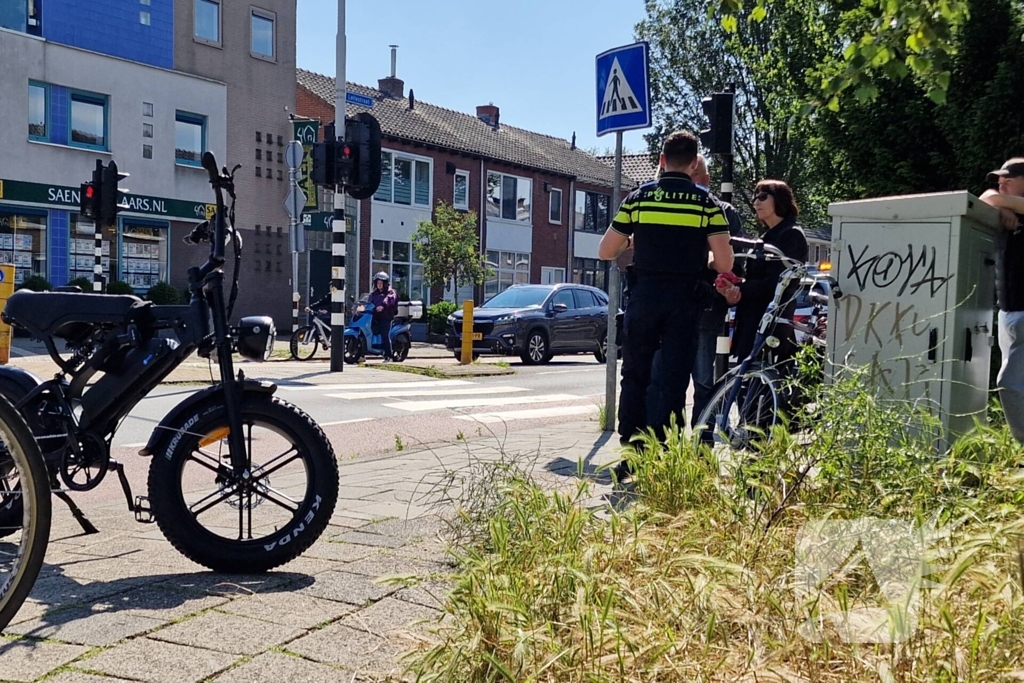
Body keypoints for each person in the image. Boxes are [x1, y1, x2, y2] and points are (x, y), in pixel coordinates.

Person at [598, 131, 735, 481]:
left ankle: (632, 452)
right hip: (684, 301)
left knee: (636, 374)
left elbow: (605, 251)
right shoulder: (707, 204)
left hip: (644, 297)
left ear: (661, 160)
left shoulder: (639, 198)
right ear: (693, 163)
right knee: (672, 379)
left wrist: (634, 238)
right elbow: (724, 263)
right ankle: (662, 451)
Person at [647, 154, 744, 427]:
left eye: (695, 173)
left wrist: (729, 284)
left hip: (705, 312)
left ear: (705, 179)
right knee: (664, 382)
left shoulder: (723, 211)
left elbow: (733, 263)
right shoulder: (660, 204)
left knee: (703, 383)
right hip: (666, 311)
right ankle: (664, 444)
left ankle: (702, 446)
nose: (688, 179)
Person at [715, 180, 808, 377]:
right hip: (753, 320)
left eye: (763, 196)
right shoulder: (768, 236)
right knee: (745, 386)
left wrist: (741, 289)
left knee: (759, 390)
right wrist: (735, 285)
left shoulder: (790, 234)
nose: (756, 202)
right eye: (754, 197)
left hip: (771, 324)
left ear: (780, 200)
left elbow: (776, 283)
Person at [979, 157, 1024, 443]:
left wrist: (1002, 203)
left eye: (1009, 178)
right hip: (1007, 312)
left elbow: (991, 198)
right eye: (999, 179)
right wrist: (1004, 206)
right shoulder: (1007, 212)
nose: (1001, 183)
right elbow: (985, 198)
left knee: (1008, 385)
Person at [369, 272, 398, 361]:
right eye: (378, 283)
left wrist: (383, 305)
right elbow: (369, 300)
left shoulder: (390, 292)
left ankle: (388, 355)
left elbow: (389, 299)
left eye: (381, 283)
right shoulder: (374, 293)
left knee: (385, 335)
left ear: (385, 283)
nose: (379, 285)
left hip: (386, 317)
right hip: (375, 316)